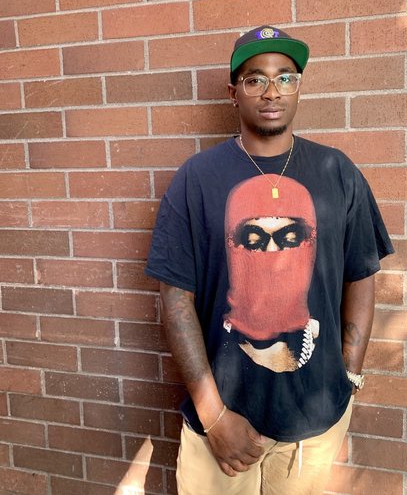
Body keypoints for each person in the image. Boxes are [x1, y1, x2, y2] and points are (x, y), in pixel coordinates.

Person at [145, 25, 394, 494]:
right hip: (220, 421)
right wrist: (213, 416)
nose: (272, 91)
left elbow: (361, 273)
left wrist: (348, 374)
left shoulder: (338, 172)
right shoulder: (196, 179)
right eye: (255, 79)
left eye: (285, 77)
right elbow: (174, 298)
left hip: (314, 422)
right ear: (233, 93)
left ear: (299, 87)